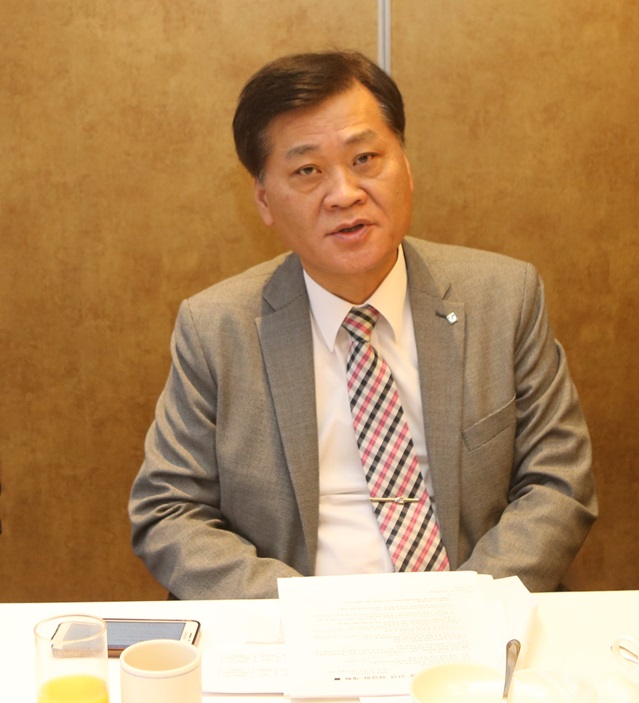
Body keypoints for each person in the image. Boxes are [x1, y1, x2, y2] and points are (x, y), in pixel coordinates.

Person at [129, 50, 597, 599]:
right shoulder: (215, 328)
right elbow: (169, 510)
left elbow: (557, 484)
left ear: (406, 166)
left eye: (365, 158)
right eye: (307, 171)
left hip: (473, 609)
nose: (345, 194)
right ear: (264, 200)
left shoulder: (504, 297)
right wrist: (301, 613)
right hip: (296, 619)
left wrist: (465, 608)